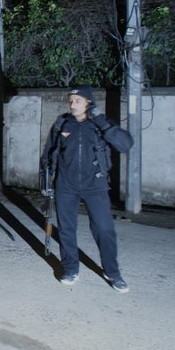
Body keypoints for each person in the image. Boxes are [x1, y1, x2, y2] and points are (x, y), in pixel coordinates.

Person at [40, 85, 134, 293]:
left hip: (95, 185)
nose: (72, 104)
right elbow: (48, 154)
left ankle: (112, 272)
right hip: (66, 185)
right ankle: (70, 269)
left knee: (104, 229)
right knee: (66, 229)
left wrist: (101, 121)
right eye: (71, 100)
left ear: (88, 102)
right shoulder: (62, 123)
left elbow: (125, 144)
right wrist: (46, 183)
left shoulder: (100, 123)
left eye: (77, 100)